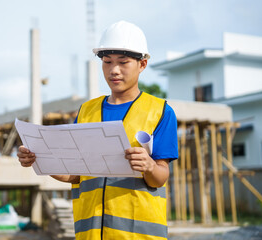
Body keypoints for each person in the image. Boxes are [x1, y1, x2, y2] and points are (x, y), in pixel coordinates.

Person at [18, 20, 178, 240]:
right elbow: (75, 174)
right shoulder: (86, 111)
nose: (114, 70)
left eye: (123, 62)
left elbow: (160, 177)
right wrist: (39, 158)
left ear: (142, 64)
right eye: (107, 62)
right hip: (91, 234)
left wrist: (149, 166)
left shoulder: (159, 111)